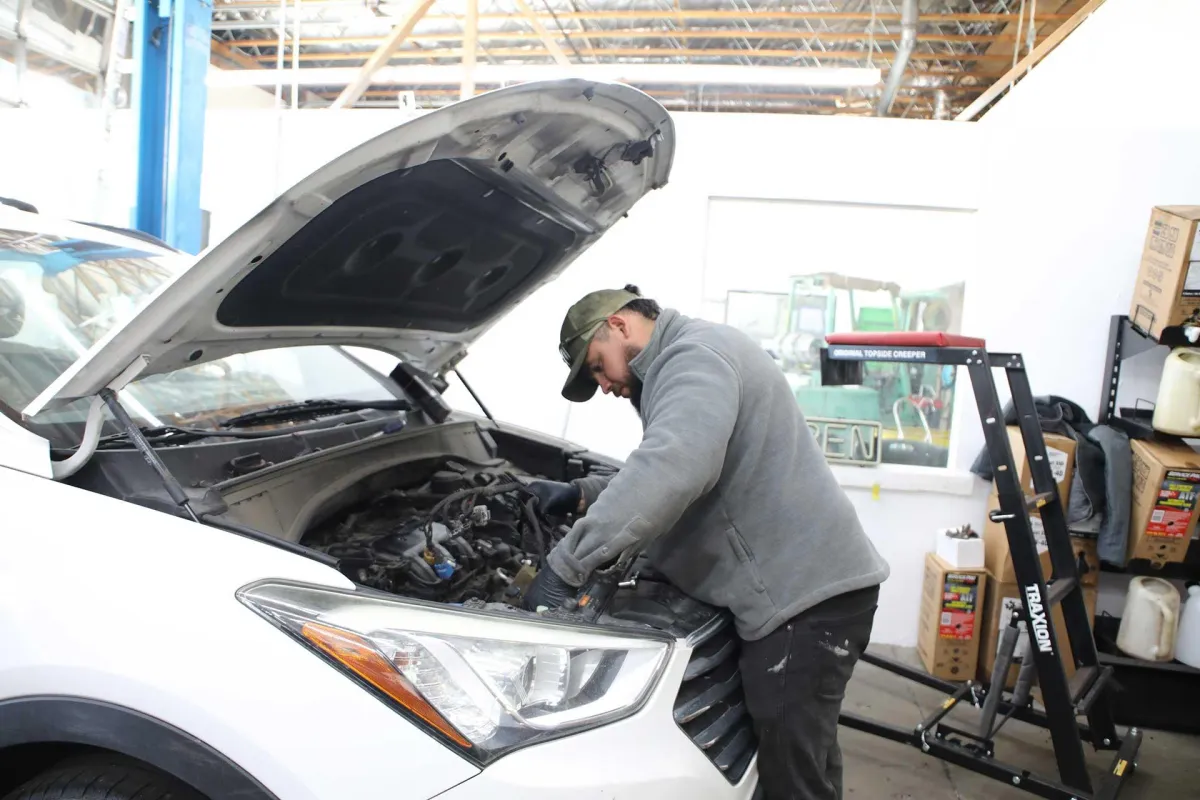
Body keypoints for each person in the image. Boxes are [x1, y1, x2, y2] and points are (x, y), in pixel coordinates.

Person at [522, 284, 890, 800]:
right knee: (808, 759)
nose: (603, 385)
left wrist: (566, 566)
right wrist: (581, 494)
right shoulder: (692, 355)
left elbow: (675, 468)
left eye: (597, 366)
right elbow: (687, 466)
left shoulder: (692, 358)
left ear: (620, 325)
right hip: (813, 591)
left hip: (802, 605)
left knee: (792, 781)